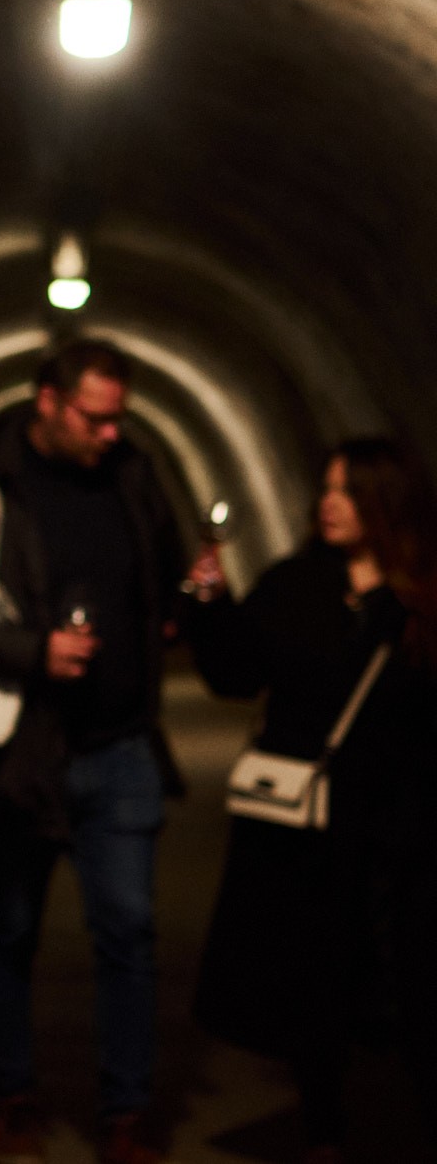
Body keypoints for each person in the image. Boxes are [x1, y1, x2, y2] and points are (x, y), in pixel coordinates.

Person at [0, 338, 184, 1164]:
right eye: (94, 418)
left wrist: (184, 603)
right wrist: (36, 653)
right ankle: (14, 1096)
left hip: (121, 741)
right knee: (12, 925)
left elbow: (163, 577)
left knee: (129, 928)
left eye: (118, 418)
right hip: (21, 754)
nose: (110, 433)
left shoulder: (133, 475)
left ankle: (126, 1111)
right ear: (49, 403)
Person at [185, 440, 437, 1163]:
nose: (328, 504)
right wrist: (209, 604)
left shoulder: (420, 598)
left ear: (387, 502)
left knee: (409, 975)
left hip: (397, 824)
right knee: (312, 977)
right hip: (307, 824)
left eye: (348, 492)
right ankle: (324, 1128)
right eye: (326, 489)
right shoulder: (296, 584)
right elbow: (235, 671)